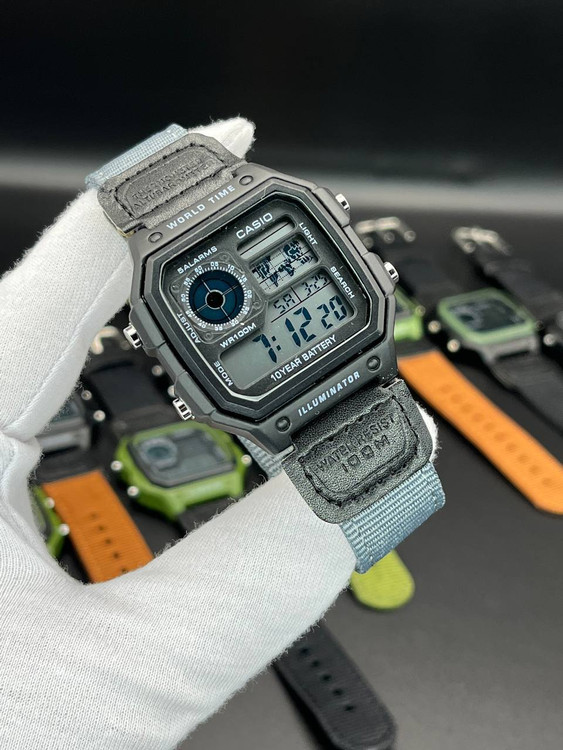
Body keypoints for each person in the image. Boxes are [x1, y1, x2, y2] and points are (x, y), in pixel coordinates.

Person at [0, 117, 438, 749]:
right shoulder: (170, 289)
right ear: (164, 358)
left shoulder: (282, 208)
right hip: (290, 402)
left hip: (361, 359)